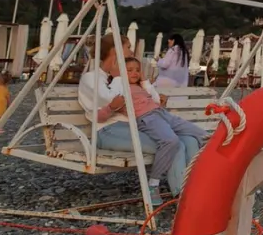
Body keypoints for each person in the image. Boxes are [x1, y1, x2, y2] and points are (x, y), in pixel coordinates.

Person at [78, 36, 202, 198]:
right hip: (109, 130)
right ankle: (183, 195)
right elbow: (112, 100)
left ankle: (197, 186)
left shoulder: (127, 75)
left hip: (137, 125)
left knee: (190, 140)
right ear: (115, 51)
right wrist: (118, 77)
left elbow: (148, 99)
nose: (131, 51)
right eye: (128, 47)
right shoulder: (92, 78)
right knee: (175, 144)